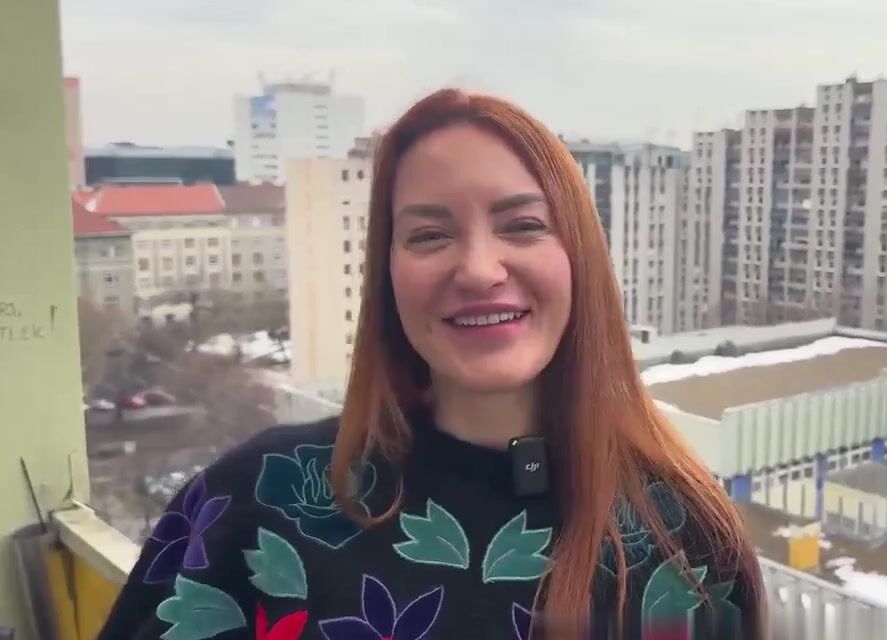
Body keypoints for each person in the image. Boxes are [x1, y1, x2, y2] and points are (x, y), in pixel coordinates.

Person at [97, 88, 764, 640]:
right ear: (387, 275)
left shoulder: (683, 533)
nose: (478, 270)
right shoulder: (259, 504)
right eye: (429, 235)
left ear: (580, 258)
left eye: (523, 225)